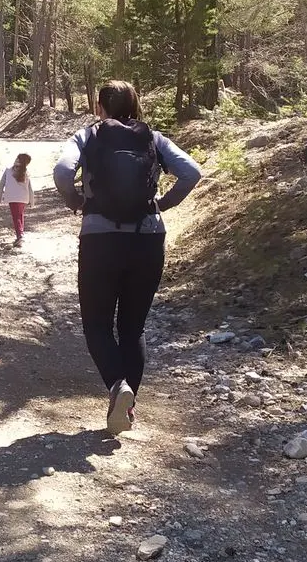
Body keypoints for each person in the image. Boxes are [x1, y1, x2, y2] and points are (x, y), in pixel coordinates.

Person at [53, 80, 201, 435]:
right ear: (135, 105)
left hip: (100, 239)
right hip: (148, 238)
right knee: (133, 328)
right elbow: (192, 173)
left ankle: (118, 387)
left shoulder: (87, 135)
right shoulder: (153, 138)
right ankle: (127, 407)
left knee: (97, 325)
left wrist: (76, 201)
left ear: (99, 107)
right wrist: (162, 204)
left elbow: (62, 171)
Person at [0, 153, 35, 246]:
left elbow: (30, 188)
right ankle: (20, 235)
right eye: (17, 159)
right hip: (21, 198)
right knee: (19, 215)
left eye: (19, 160)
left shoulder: (13, 171)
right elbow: (1, 185)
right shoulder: (22, 172)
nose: (16, 161)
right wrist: (32, 200)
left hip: (14, 198)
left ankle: (20, 236)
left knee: (16, 217)